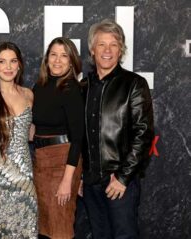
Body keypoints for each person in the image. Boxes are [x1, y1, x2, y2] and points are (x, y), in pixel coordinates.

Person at [78, 19, 154, 239]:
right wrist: (80, 177)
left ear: (121, 50)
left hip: (119, 183)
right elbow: (78, 137)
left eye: (114, 44)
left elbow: (143, 134)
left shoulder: (134, 84)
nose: (107, 50)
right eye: (102, 44)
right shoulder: (83, 87)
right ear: (92, 50)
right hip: (90, 184)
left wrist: (123, 177)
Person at [0, 42, 37, 238]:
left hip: (24, 178)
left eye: (13, 61)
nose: (8, 67)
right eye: (2, 62)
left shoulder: (29, 94)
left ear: (20, 64)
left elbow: (31, 132)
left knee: (24, 229)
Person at [32, 37, 85, 239]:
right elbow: (37, 127)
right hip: (40, 162)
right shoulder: (40, 86)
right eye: (53, 54)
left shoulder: (71, 89)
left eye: (64, 56)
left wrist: (67, 180)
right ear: (47, 59)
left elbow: (78, 138)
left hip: (62, 162)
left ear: (71, 62)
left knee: (60, 229)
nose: (57, 60)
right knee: (45, 228)